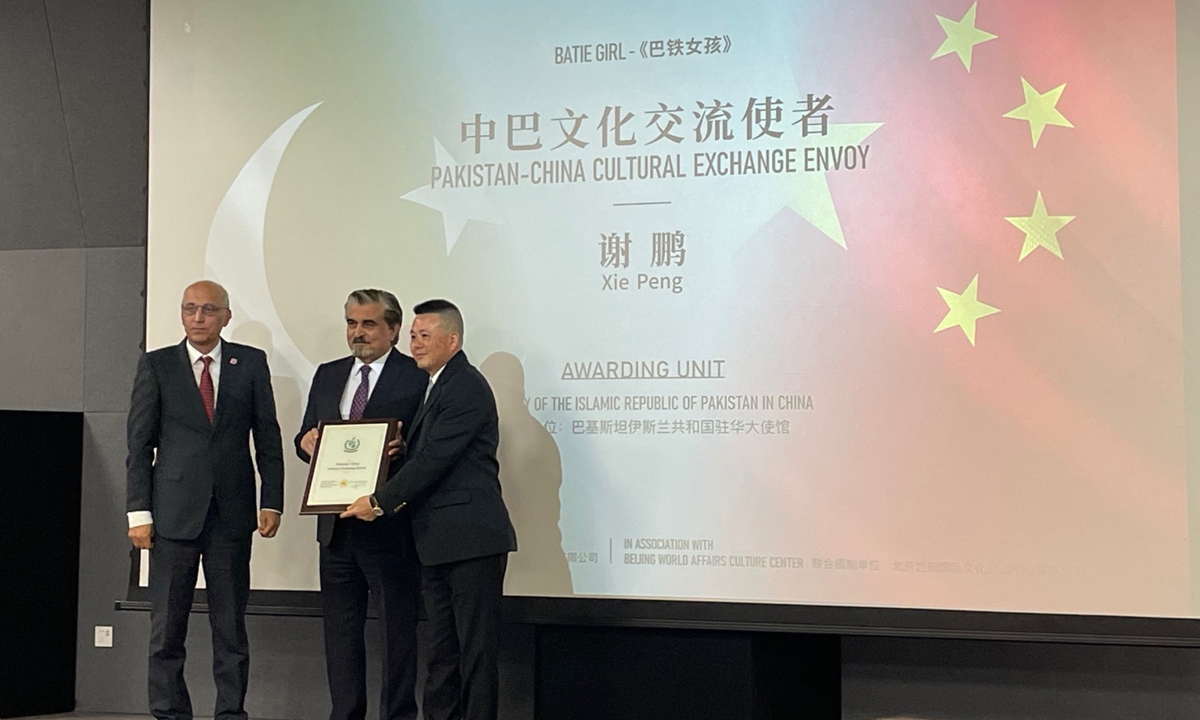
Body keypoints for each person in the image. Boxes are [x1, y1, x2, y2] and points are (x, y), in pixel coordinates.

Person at [342, 299, 517, 720]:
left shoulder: (466, 386)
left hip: (470, 540)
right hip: (438, 542)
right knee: (443, 652)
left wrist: (379, 501)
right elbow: (428, 453)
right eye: (414, 336)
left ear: (452, 340)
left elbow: (435, 459)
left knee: (474, 654)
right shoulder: (438, 385)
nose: (415, 344)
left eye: (425, 336)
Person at [125, 280, 285, 720]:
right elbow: (139, 445)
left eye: (209, 310)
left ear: (226, 317)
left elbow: (267, 435)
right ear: (181, 315)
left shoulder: (249, 363)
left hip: (231, 517)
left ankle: (230, 714)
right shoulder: (157, 365)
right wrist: (139, 512)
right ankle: (169, 712)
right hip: (172, 517)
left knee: (231, 629)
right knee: (166, 631)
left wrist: (272, 500)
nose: (198, 317)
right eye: (190, 309)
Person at [295, 289, 426, 720]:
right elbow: (304, 437)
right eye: (351, 323)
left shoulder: (415, 376)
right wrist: (306, 441)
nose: (358, 333)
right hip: (334, 528)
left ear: (393, 329)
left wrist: (404, 446)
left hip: (389, 525)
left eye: (368, 324)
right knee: (341, 633)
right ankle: (345, 714)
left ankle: (398, 715)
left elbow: (426, 450)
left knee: (396, 633)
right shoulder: (328, 374)